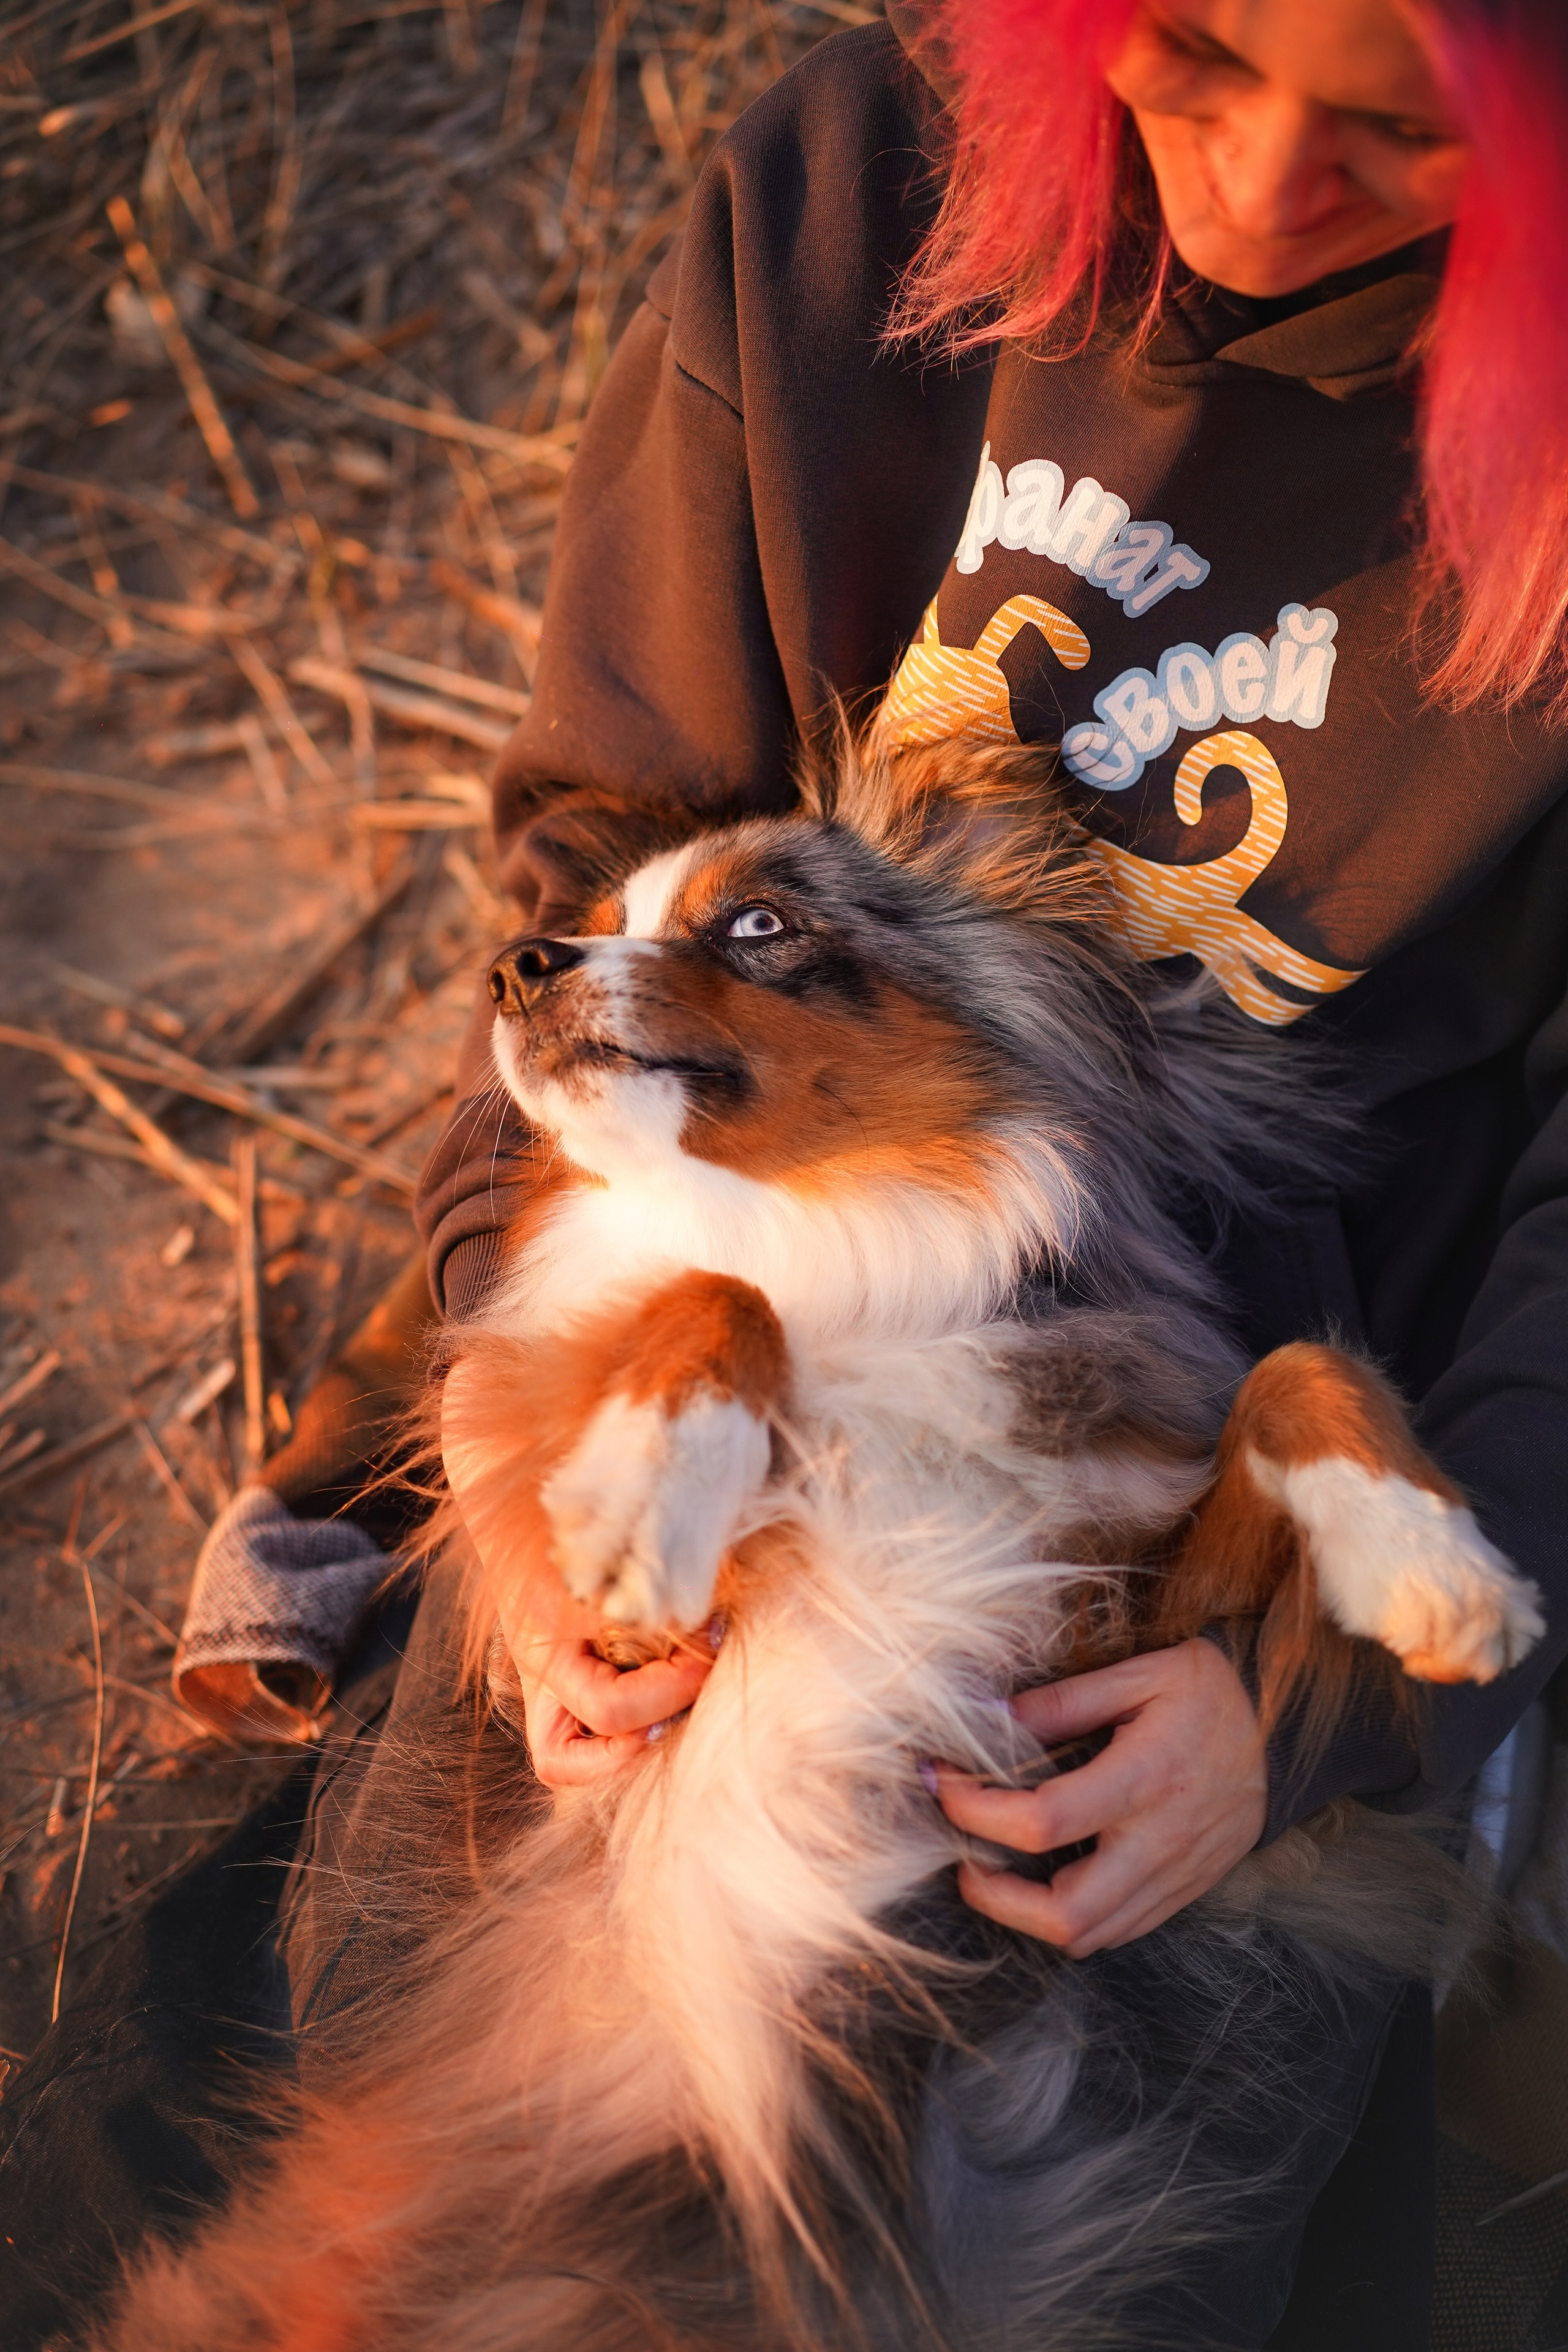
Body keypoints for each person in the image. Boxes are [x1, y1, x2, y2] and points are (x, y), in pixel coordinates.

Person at [5, 2, 1566, 2346]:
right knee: (330, 2148)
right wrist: (533, 1525)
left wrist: (1342, 1709)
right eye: (1192, 51)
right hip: (713, 1292)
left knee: (1184, 2246)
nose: (1251, 186)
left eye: (1402, 136)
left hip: (1241, 1470)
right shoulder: (855, 192)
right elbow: (599, 903)